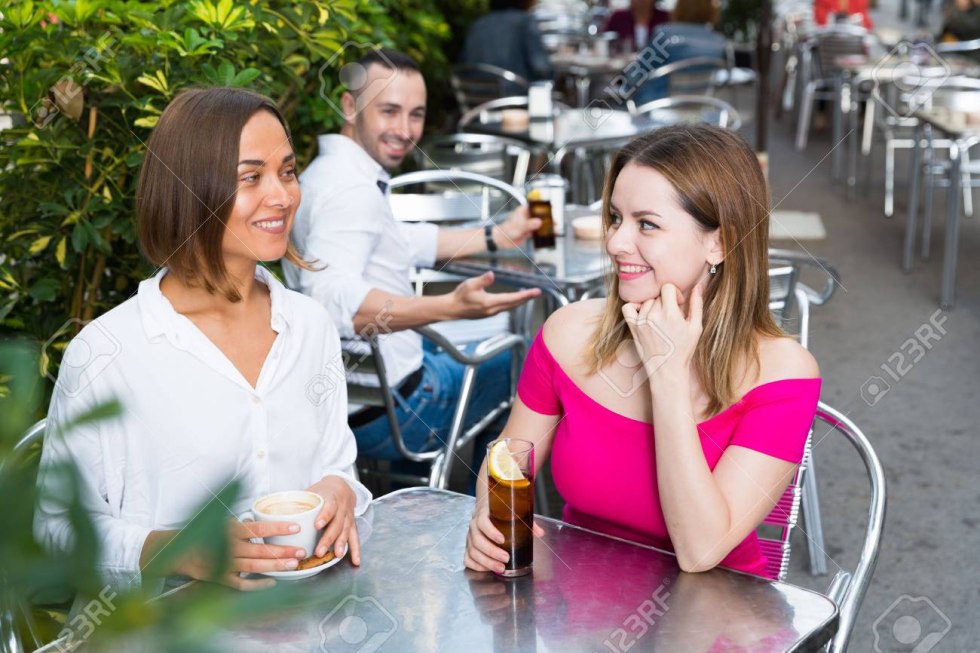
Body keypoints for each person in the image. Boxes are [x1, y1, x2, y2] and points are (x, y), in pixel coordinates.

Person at [35, 87, 371, 592]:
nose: (282, 195)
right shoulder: (109, 352)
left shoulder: (310, 325)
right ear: (190, 190)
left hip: (302, 621)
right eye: (251, 177)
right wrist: (173, 549)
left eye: (287, 171)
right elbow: (55, 528)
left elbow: (336, 464)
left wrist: (341, 489)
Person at [464, 125, 821, 578]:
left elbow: (699, 551)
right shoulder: (568, 333)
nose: (615, 243)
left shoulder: (783, 374)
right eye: (615, 218)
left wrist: (666, 374)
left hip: (716, 620)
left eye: (646, 224)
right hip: (579, 611)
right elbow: (508, 459)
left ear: (721, 243)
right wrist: (488, 518)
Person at [284, 50, 540, 474]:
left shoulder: (328, 174)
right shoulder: (352, 192)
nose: (404, 130)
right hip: (395, 411)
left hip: (350, 398)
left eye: (415, 115)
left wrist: (498, 234)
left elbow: (401, 242)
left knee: (469, 349)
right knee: (521, 360)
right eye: (389, 111)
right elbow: (332, 300)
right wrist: (447, 307)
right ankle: (489, 519)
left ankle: (430, 503)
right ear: (350, 107)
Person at [631, 0, 728, 105]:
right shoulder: (719, 41)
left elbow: (636, 74)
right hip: (703, 110)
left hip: (658, 108)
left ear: (678, 8)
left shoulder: (665, 33)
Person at [459, 0, 554, 85]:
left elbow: (463, 66)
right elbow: (541, 68)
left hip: (475, 98)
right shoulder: (525, 22)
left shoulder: (478, 24)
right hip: (514, 98)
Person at [604, 0, 669, 53]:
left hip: (657, 65)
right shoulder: (618, 17)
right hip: (622, 65)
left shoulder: (665, 17)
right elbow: (605, 41)